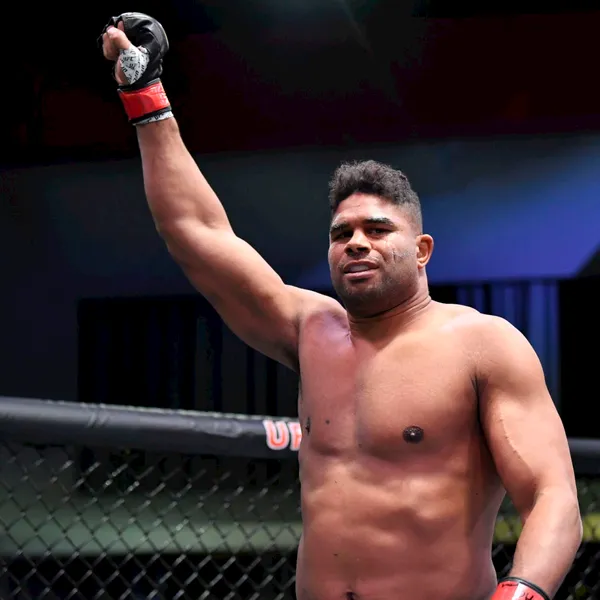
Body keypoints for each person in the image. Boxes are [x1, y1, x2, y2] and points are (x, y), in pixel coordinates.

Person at [100, 13, 582, 600]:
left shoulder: (482, 344)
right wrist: (145, 95)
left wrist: (521, 593)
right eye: (341, 233)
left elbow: (554, 498)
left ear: (422, 250)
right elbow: (196, 231)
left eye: (377, 230)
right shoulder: (310, 329)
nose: (356, 242)